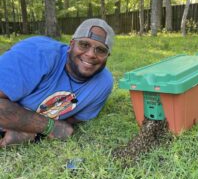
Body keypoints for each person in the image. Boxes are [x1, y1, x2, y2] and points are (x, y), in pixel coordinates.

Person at [0, 18, 115, 147]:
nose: (91, 54)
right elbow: (60, 129)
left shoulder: (103, 84)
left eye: (101, 50)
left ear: (107, 56)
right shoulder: (37, 53)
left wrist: (30, 131)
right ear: (71, 45)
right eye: (84, 44)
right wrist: (49, 127)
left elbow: (75, 119)